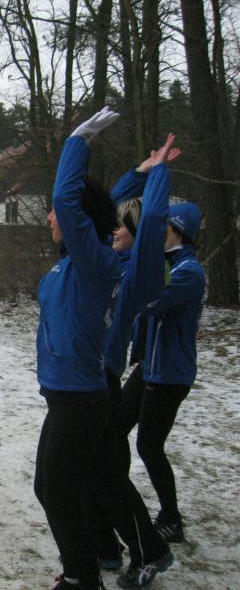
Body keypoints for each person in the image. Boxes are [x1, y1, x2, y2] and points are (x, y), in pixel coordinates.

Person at [33, 107, 122, 590]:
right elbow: (94, 205)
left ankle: (82, 579)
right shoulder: (70, 264)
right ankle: (81, 573)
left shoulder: (94, 263)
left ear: (78, 221)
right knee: (50, 489)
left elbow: (68, 200)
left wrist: (77, 142)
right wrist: (142, 173)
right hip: (65, 396)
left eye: (57, 213)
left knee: (59, 494)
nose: (51, 216)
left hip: (81, 399)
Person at [86, 135, 180, 589]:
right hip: (87, 382)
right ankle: (106, 546)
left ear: (137, 237)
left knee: (104, 473)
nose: (113, 232)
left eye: (121, 229)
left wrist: (159, 176)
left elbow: (153, 219)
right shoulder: (110, 261)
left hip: (102, 383)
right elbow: (104, 213)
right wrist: (138, 174)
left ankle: (151, 550)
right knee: (97, 470)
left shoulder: (138, 271)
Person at [118, 201, 205, 545]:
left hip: (170, 374)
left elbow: (151, 302)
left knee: (149, 445)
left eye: (163, 225)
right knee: (114, 428)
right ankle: (115, 493)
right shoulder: (170, 264)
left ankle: (171, 518)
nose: (156, 231)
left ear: (176, 230)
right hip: (149, 369)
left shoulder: (188, 272)